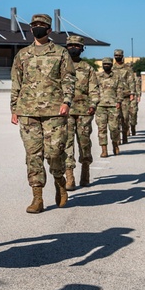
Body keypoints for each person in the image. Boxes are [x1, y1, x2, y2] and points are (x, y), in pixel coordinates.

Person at [10, 14, 75, 212]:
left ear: (49, 30)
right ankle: (37, 197)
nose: (38, 28)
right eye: (35, 25)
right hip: (28, 111)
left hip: (54, 110)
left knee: (55, 152)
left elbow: (69, 79)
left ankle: (59, 181)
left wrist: (66, 101)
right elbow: (16, 82)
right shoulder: (22, 54)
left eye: (42, 25)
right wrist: (14, 108)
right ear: (31, 29)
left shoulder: (61, 53)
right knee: (33, 155)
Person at [63, 35, 99, 190]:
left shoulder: (88, 68)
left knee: (84, 143)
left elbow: (94, 90)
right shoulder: (61, 66)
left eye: (77, 46)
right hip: (66, 112)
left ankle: (85, 171)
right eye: (70, 45)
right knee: (67, 144)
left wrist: (93, 104)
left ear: (82, 49)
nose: (73, 48)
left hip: (84, 112)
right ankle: (69, 177)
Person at [95, 57, 124, 156]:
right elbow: (93, 90)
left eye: (108, 64)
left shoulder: (117, 77)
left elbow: (120, 90)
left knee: (114, 128)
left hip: (113, 105)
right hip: (100, 105)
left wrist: (119, 101)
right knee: (101, 128)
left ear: (111, 65)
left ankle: (115, 144)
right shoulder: (97, 77)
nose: (106, 65)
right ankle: (104, 149)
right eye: (104, 64)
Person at [111, 49, 136, 143]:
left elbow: (131, 81)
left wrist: (132, 93)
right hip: (115, 96)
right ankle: (117, 138)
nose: (117, 57)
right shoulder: (112, 68)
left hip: (125, 95)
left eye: (119, 55)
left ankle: (125, 134)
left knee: (125, 117)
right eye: (115, 55)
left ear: (122, 56)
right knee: (115, 118)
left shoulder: (127, 69)